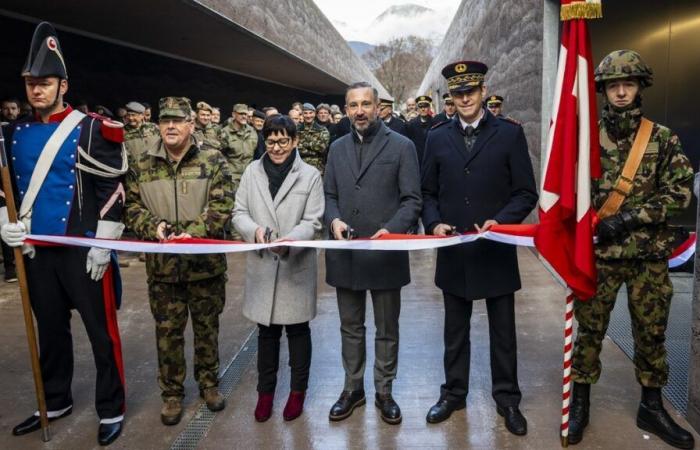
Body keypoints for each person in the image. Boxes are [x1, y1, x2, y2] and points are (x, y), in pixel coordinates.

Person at [0, 22, 128, 446]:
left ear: (63, 85)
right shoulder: (12, 133)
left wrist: (102, 244)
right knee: (51, 330)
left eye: (45, 83)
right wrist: (8, 220)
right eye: (31, 83)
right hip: (39, 253)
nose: (37, 90)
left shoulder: (91, 127)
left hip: (82, 249)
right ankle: (54, 400)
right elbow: (7, 187)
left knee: (101, 333)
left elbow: (113, 189)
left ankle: (111, 407)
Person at [568, 50, 695, 449]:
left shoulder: (661, 138)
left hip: (647, 257)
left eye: (628, 84)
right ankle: (580, 405)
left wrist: (628, 218)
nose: (621, 92)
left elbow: (680, 194)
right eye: (613, 86)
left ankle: (652, 407)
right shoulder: (586, 138)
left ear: (640, 87)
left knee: (652, 333)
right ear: (603, 91)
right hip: (599, 257)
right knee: (588, 332)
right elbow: (568, 193)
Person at [421, 60, 537, 436]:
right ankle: (453, 393)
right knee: (455, 331)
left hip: (495, 248)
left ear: (484, 91)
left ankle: (507, 399)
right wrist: (434, 221)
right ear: (450, 98)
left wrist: (501, 221)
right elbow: (427, 192)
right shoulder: (437, 136)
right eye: (457, 93)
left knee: (503, 333)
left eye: (471, 90)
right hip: (455, 250)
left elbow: (525, 192)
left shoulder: (508, 134)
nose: (465, 97)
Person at [125, 96, 234, 426]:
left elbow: (222, 206)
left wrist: (193, 233)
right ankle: (172, 394)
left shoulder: (213, 160)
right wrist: (154, 227)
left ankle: (209, 384)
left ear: (191, 124)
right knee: (168, 333)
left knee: (207, 330)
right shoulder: (142, 163)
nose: (170, 126)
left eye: (177, 120)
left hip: (205, 268)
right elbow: (131, 208)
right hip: (164, 271)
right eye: (164, 120)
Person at [324, 81, 422, 425]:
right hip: (346, 253)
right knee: (350, 326)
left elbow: (412, 199)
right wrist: (333, 220)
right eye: (353, 105)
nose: (360, 111)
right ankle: (353, 389)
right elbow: (329, 195)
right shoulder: (335, 148)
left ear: (378, 106)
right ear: (346, 109)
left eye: (366, 104)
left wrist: (392, 229)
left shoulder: (402, 146)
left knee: (386, 327)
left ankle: (384, 390)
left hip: (385, 253)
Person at [232, 115, 324, 423]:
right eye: (271, 141)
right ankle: (265, 393)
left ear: (295, 141)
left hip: (294, 265)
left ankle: (297, 392)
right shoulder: (251, 172)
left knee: (298, 332)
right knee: (266, 334)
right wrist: (255, 232)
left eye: (283, 141)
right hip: (262, 266)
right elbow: (239, 212)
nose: (277, 147)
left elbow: (313, 221)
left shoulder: (310, 175)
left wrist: (291, 240)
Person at [218, 103, 258, 191]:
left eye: (245, 114)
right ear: (234, 114)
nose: (244, 116)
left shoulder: (252, 131)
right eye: (241, 114)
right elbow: (219, 155)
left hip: (249, 176)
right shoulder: (225, 133)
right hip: (232, 177)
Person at [297, 103, 330, 175]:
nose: (308, 116)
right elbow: (294, 148)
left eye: (310, 113)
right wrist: (313, 149)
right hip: (300, 166)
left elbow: (322, 148)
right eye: (305, 113)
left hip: (317, 167)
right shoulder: (297, 129)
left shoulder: (322, 129)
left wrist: (303, 144)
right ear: (302, 114)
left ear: (314, 114)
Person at [406, 95, 435, 165]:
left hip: (432, 160)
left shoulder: (435, 123)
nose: (423, 109)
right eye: (421, 107)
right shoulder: (411, 124)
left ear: (429, 108)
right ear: (417, 108)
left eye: (425, 106)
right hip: (417, 160)